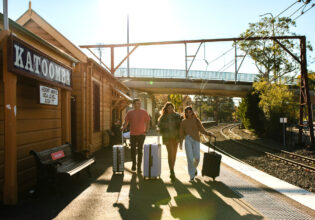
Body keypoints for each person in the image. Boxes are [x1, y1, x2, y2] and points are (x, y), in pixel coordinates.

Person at [180, 106, 215, 182]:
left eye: (190, 112)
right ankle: (192, 176)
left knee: (197, 158)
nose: (188, 113)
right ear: (185, 113)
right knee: (190, 158)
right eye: (187, 112)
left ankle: (194, 168)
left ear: (192, 112)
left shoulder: (196, 120)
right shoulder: (183, 122)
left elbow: (202, 130)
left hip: (196, 140)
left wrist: (209, 133)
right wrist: (180, 143)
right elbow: (181, 133)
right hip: (188, 140)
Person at [121, 98, 150, 174]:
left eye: (139, 103)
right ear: (133, 104)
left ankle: (139, 167)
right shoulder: (130, 113)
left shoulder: (144, 112)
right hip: (133, 134)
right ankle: (134, 163)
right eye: (136, 103)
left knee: (140, 151)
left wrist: (146, 131)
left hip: (141, 134)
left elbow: (147, 122)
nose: (138, 105)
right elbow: (126, 122)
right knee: (133, 150)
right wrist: (123, 127)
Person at [157, 102, 182, 179]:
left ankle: (172, 168)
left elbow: (181, 126)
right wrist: (158, 129)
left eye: (171, 107)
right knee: (170, 153)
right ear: (166, 109)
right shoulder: (163, 117)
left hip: (176, 137)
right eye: (168, 108)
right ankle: (172, 170)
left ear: (173, 108)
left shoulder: (177, 116)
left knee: (174, 154)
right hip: (167, 138)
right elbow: (159, 126)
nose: (170, 109)